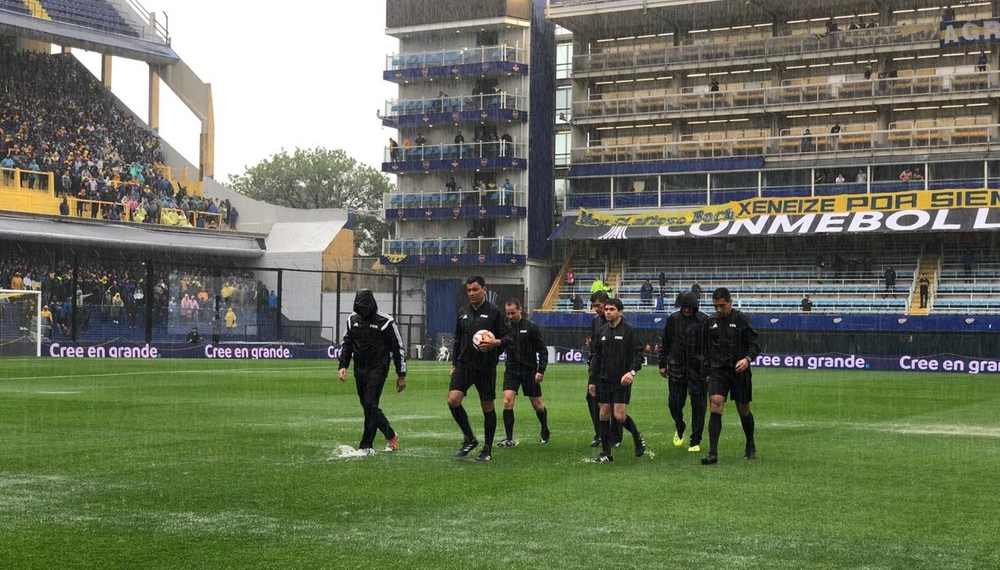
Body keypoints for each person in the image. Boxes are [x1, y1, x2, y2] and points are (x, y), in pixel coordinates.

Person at [338, 289, 407, 456]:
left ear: (372, 305)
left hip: (378, 369)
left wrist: (401, 374)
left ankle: (366, 446)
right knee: (368, 406)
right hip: (359, 369)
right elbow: (347, 344)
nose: (363, 310)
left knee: (370, 403)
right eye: (360, 307)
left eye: (366, 307)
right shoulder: (352, 320)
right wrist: (343, 366)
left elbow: (398, 348)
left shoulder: (386, 322)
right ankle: (390, 434)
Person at [448, 276, 506, 462]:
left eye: (475, 289)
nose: (471, 293)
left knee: (487, 406)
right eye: (469, 290)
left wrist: (495, 344)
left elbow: (507, 338)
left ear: (484, 289)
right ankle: (470, 438)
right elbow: (458, 339)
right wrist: (454, 364)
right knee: (453, 400)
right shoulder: (462, 312)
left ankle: (487, 449)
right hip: (464, 365)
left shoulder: (495, 313)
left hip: (485, 367)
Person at [702, 287, 761, 465]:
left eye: (722, 306)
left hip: (739, 371)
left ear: (730, 302)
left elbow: (755, 344)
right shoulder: (710, 321)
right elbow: (705, 348)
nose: (719, 310)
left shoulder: (741, 318)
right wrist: (706, 371)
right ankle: (713, 453)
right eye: (716, 306)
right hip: (718, 370)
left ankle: (750, 444)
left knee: (743, 410)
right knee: (715, 405)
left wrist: (747, 359)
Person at [588, 298, 646, 463]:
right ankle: (606, 453)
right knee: (604, 414)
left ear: (620, 312)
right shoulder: (602, 331)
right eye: (606, 309)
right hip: (603, 380)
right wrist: (593, 380)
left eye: (611, 309)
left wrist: (631, 373)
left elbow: (639, 355)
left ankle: (636, 436)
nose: (607, 312)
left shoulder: (629, 331)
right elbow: (597, 357)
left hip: (621, 381)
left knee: (619, 416)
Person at [657, 291, 709, 453]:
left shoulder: (704, 320)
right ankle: (679, 425)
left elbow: (709, 346)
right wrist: (662, 363)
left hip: (697, 369)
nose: (686, 309)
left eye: (689, 307)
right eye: (683, 306)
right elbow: (666, 341)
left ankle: (695, 440)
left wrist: (708, 369)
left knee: (698, 406)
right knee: (674, 403)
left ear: (695, 306)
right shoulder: (673, 319)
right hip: (676, 366)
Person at [497, 299, 550, 446]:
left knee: (538, 405)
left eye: (513, 313)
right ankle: (509, 438)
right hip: (512, 370)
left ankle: (544, 429)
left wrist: (541, 370)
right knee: (507, 401)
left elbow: (542, 350)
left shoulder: (531, 327)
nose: (510, 316)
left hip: (529, 371)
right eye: (508, 313)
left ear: (520, 310)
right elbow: (500, 347)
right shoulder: (505, 328)